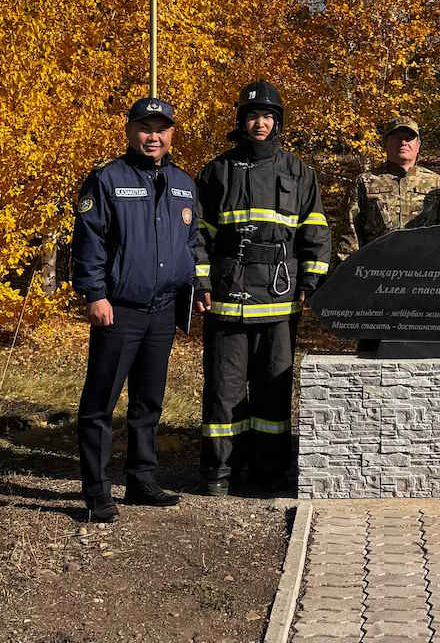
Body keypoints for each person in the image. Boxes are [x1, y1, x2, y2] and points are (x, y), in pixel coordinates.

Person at [72, 97, 208, 523]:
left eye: (162, 128)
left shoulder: (184, 183)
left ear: (172, 135)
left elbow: (193, 242)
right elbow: (89, 241)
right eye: (145, 128)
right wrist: (95, 295)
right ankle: (97, 493)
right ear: (129, 131)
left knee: (148, 402)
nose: (154, 136)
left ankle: (141, 480)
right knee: (101, 403)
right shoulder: (107, 179)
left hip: (163, 310)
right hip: (119, 309)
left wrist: (200, 283)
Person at [193, 81, 330, 495]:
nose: (260, 123)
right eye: (253, 116)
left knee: (274, 386)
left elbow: (316, 231)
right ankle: (220, 472)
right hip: (228, 294)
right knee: (224, 386)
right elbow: (199, 235)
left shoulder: (299, 172)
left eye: (268, 116)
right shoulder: (217, 170)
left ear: (278, 123)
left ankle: (269, 471)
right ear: (242, 121)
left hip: (279, 294)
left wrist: (311, 280)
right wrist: (201, 281)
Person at [336, 117, 440, 351]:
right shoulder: (366, 182)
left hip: (424, 285)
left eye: (409, 138)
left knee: (424, 354)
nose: (403, 142)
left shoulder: (435, 184)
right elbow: (349, 233)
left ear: (418, 145)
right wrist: (348, 279)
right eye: (397, 137)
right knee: (371, 355)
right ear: (386, 144)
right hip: (377, 284)